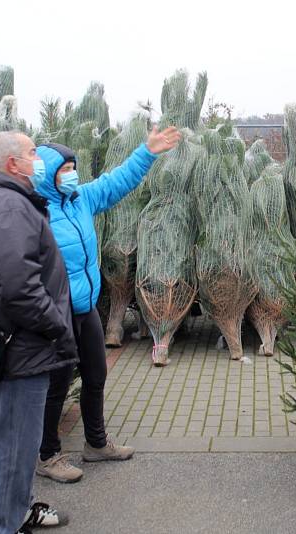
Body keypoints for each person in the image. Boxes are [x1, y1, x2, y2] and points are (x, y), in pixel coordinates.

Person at [34, 125, 182, 483]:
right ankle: (47, 455)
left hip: (85, 308)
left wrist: (147, 152)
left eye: (73, 168)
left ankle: (96, 444)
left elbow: (117, 182)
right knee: (56, 384)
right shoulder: (35, 212)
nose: (71, 174)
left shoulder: (80, 199)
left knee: (96, 374)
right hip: (56, 312)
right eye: (64, 169)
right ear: (46, 174)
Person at [0, 130, 78, 533]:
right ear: (13, 163)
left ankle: (20, 510)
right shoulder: (9, 208)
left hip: (22, 346)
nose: (39, 159)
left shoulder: (10, 202)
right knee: (13, 449)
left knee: (19, 445)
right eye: (32, 153)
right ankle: (1, 526)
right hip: (19, 350)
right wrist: (57, 326)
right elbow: (18, 287)